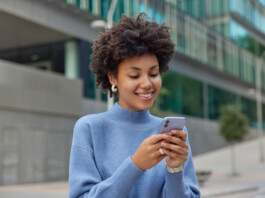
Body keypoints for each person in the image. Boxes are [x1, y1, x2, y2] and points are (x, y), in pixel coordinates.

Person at [69, 13, 200, 198]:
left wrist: (175, 169)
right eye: (134, 76)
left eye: (153, 74)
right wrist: (136, 164)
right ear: (113, 78)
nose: (147, 83)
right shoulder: (89, 128)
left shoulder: (172, 133)